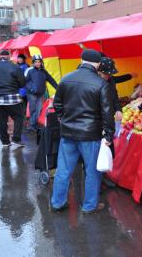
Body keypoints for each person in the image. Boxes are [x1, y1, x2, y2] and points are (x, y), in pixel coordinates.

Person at [51, 49, 115, 214]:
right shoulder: (101, 83)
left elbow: (57, 105)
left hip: (68, 132)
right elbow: (107, 113)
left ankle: (57, 203)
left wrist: (63, 118)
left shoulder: (66, 79)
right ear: (99, 64)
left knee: (63, 170)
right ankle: (89, 206)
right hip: (90, 134)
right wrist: (109, 135)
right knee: (92, 171)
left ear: (82, 60)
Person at [0, 50, 26, 147]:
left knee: (2, 120)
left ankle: (5, 141)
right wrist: (15, 87)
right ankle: (16, 138)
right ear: (9, 56)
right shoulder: (15, 67)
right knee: (18, 117)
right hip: (12, 96)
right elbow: (22, 83)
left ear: (0, 56)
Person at [25, 55, 58, 133]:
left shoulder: (44, 71)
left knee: (39, 109)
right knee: (33, 110)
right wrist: (31, 89)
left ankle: (33, 124)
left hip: (41, 94)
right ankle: (31, 125)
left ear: (41, 62)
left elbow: (51, 80)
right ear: (33, 63)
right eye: (36, 62)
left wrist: (58, 87)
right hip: (32, 94)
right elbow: (25, 82)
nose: (38, 63)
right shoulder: (30, 71)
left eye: (39, 62)